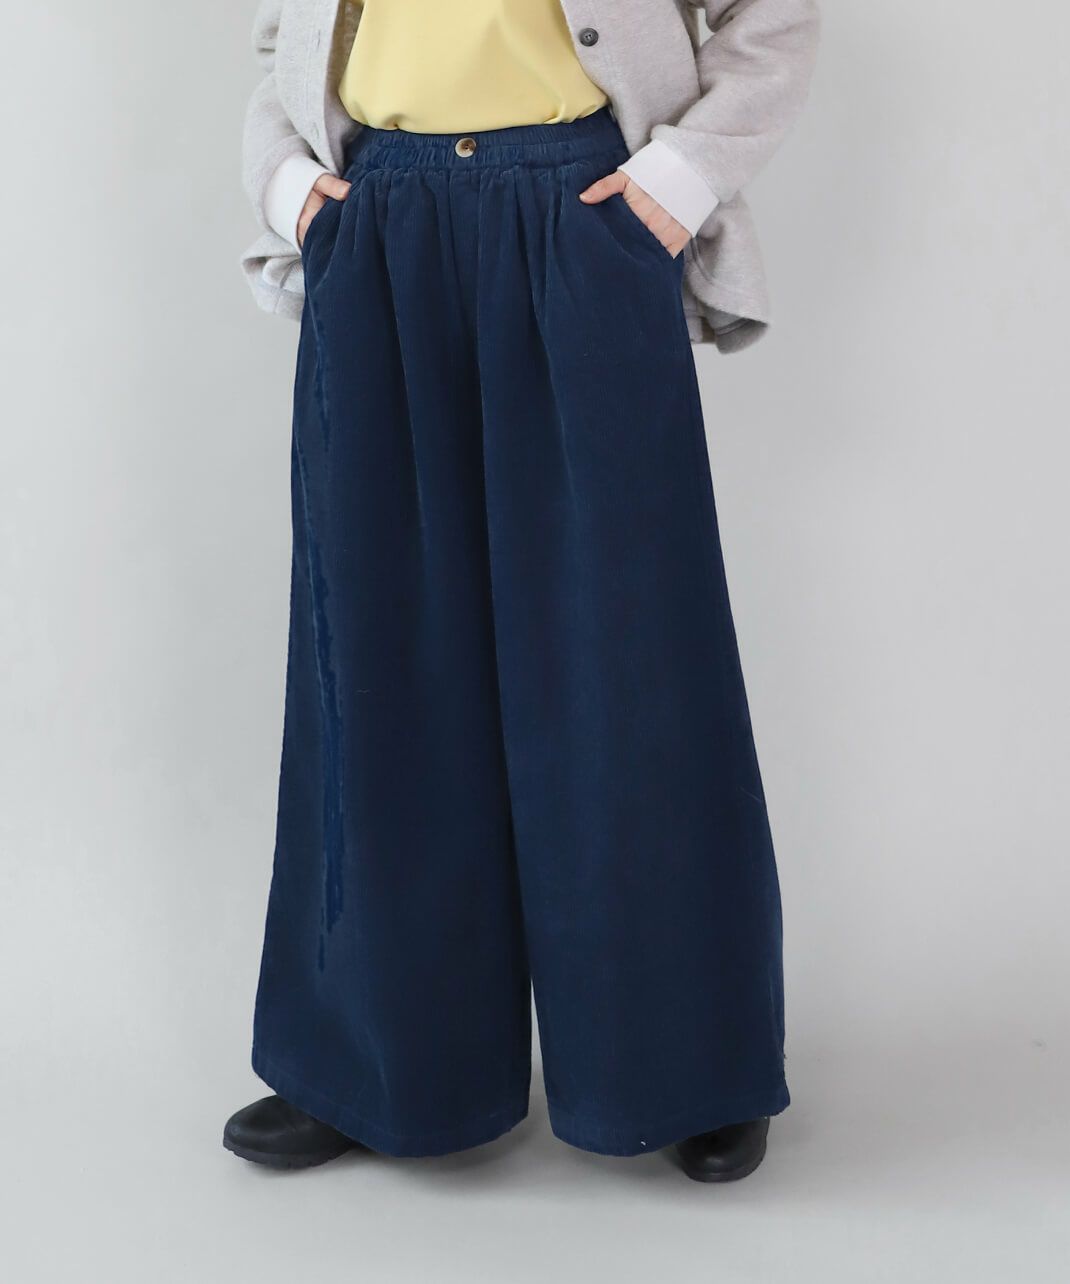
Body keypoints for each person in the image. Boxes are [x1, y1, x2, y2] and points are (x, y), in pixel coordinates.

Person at [224, 0, 820, 1183]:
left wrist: (678, 180)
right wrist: (287, 187)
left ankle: (684, 1065)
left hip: (580, 212)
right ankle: (374, 1065)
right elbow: (278, 40)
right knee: (376, 654)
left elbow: (773, 18)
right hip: (378, 216)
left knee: (626, 658)